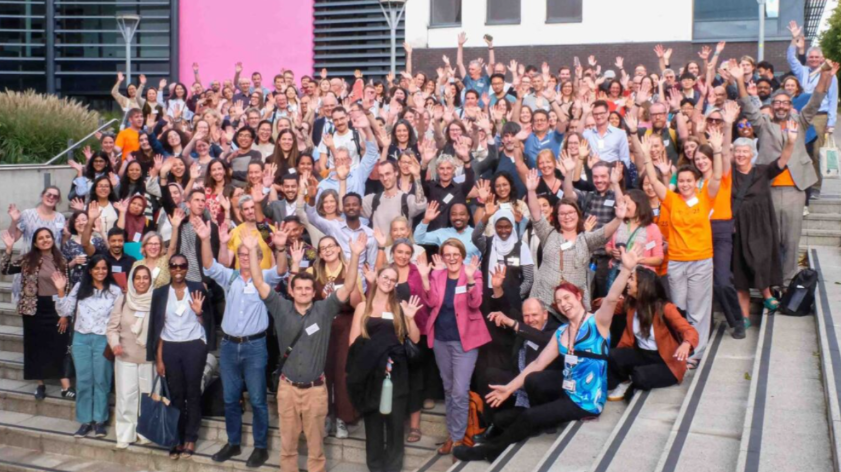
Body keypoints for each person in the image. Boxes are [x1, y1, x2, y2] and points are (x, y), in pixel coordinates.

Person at [453, 246, 642, 462]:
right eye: (559, 302)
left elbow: (610, 299)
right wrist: (509, 388)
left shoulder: (597, 322)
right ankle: (540, 420)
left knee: (531, 416)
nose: (564, 304)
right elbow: (537, 365)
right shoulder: (561, 332)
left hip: (584, 401)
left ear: (578, 296)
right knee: (530, 385)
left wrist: (626, 269)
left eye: (567, 298)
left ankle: (488, 451)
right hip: (566, 388)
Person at [250, 232, 365, 472]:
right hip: (287, 389)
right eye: (298, 288)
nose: (303, 292)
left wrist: (354, 255)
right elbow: (259, 282)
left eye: (307, 289)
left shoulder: (324, 310)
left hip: (315, 391)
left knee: (316, 449)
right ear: (291, 291)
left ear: (314, 292)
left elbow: (349, 287)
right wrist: (252, 251)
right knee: (288, 447)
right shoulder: (280, 308)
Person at [732, 58, 833, 286]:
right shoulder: (763, 124)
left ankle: (787, 281)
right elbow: (748, 105)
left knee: (791, 240)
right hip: (767, 191)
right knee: (770, 240)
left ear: (791, 105)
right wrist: (739, 80)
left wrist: (826, 75)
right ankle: (769, 283)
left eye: (784, 103)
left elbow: (816, 100)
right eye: (776, 103)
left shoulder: (801, 120)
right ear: (772, 105)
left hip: (795, 191)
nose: (780, 106)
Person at [199, 220, 289, 468]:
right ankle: (233, 442)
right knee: (229, 398)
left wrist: (280, 249)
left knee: (259, 400)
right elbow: (208, 265)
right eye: (241, 253)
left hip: (255, 347)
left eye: (249, 252)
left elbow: (281, 270)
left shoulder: (265, 279)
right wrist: (207, 239)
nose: (244, 256)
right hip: (228, 347)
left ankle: (260, 448)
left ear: (259, 257)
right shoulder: (231, 278)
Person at [639, 132, 722, 367]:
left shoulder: (705, 197)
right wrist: (646, 156)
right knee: (679, 308)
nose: (685, 184)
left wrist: (716, 149)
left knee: (698, 309)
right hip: (676, 262)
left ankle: (694, 351)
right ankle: (680, 345)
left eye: (689, 180)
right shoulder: (672, 200)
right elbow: (654, 183)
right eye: (681, 180)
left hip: (701, 260)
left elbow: (716, 177)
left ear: (696, 182)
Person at [416, 239, 488, 455]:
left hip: (465, 341)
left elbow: (475, 304)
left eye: (456, 254)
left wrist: (469, 280)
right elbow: (430, 302)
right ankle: (453, 435)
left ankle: (458, 439)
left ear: (462, 254)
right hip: (440, 339)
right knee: (448, 389)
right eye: (447, 254)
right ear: (443, 257)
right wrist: (424, 279)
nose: (452, 258)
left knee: (459, 390)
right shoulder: (437, 274)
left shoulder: (473, 273)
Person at [347, 267, 422, 472]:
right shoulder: (363, 307)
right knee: (373, 425)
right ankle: (376, 468)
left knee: (396, 424)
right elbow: (353, 341)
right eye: (385, 277)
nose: (388, 281)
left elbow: (415, 339)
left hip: (395, 372)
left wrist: (410, 317)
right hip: (370, 373)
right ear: (377, 279)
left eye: (393, 279)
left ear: (396, 284)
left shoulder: (400, 307)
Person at [525, 169, 625, 313]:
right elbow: (536, 215)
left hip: (573, 307)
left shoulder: (585, 239)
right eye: (562, 214)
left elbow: (604, 233)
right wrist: (531, 191)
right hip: (544, 302)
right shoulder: (548, 233)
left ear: (578, 215)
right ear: (556, 217)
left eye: (571, 213)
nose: (567, 217)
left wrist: (618, 218)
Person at [146, 253, 212, 460]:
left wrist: (199, 312)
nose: (177, 270)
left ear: (187, 267)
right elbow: (157, 328)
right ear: (169, 268)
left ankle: (191, 437)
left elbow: (208, 322)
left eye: (181, 266)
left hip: (194, 347)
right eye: (173, 266)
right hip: (170, 348)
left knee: (192, 394)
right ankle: (176, 438)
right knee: (175, 395)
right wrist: (159, 358)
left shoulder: (198, 289)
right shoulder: (160, 293)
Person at [1, 228, 74, 399]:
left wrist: (65, 314)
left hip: (56, 306)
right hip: (33, 308)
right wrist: (9, 249)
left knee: (60, 344)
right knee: (36, 346)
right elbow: (4, 270)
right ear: (35, 242)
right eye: (40, 238)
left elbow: (68, 288)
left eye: (47, 237)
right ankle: (40, 384)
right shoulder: (28, 259)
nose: (45, 240)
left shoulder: (62, 260)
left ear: (52, 239)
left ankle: (65, 386)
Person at [606, 266, 699, 401]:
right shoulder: (630, 304)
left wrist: (686, 344)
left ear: (643, 285)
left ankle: (634, 378)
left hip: (667, 361)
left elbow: (689, 331)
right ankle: (626, 381)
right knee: (613, 356)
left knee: (640, 377)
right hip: (643, 354)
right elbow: (606, 306)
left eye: (631, 279)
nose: (628, 282)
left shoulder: (665, 308)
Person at [731, 131, 797, 319]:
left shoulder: (762, 171)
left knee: (760, 260)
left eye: (745, 151)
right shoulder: (729, 175)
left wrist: (790, 142)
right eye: (737, 151)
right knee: (740, 272)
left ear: (752, 154)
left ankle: (766, 294)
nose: (741, 155)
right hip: (739, 228)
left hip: (761, 226)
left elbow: (782, 161)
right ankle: (744, 317)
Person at [56, 254, 122, 438]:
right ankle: (85, 421)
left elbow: (118, 320)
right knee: (84, 381)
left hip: (103, 339)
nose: (100, 271)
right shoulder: (80, 288)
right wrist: (61, 290)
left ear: (108, 270)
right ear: (90, 270)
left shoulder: (115, 292)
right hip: (81, 339)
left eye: (104, 268)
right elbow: (64, 311)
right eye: (96, 268)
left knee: (102, 380)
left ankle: (100, 420)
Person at [106, 265, 155, 448]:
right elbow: (112, 328)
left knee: (147, 397)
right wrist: (115, 344)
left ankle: (145, 433)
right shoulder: (123, 299)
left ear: (150, 281)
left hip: (147, 358)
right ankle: (125, 435)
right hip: (125, 355)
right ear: (132, 281)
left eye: (145, 278)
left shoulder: (156, 300)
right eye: (138, 278)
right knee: (126, 397)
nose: (141, 281)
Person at [361, 160, 427, 235]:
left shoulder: (406, 199)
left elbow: (421, 205)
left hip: (401, 245)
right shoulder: (372, 200)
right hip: (379, 246)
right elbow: (348, 206)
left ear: (396, 172)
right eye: (381, 175)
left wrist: (417, 176)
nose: (385, 178)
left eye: (388, 174)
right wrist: (344, 179)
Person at [413, 202, 481, 260]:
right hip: (447, 274)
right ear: (449, 217)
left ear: (468, 216)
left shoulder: (476, 234)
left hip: (471, 274)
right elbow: (418, 239)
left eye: (462, 214)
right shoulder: (442, 233)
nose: (458, 217)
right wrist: (426, 220)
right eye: (454, 214)